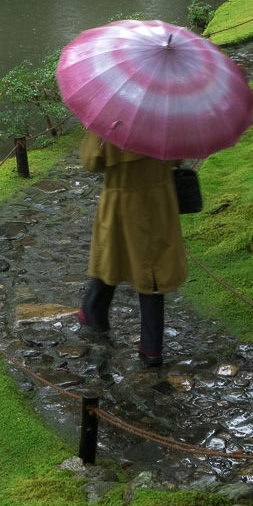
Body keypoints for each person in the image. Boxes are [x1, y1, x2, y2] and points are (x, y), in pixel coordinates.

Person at [77, 129, 186, 366]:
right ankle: (152, 346)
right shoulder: (165, 118)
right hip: (158, 204)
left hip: (121, 203)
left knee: (111, 259)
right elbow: (179, 158)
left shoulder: (111, 120)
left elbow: (91, 161)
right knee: (154, 272)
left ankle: (93, 312)